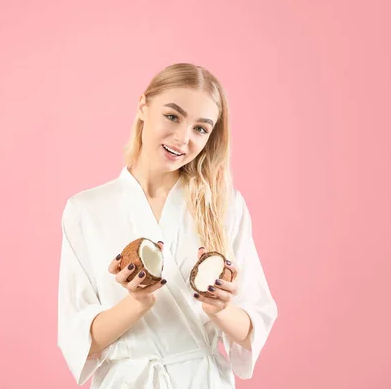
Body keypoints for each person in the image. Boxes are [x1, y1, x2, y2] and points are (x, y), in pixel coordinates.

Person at [57, 63, 278, 388]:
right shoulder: (86, 210)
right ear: (144, 105)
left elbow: (251, 327)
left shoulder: (224, 206)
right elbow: (81, 340)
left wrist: (219, 309)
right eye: (173, 117)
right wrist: (137, 302)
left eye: (200, 129)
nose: (182, 139)